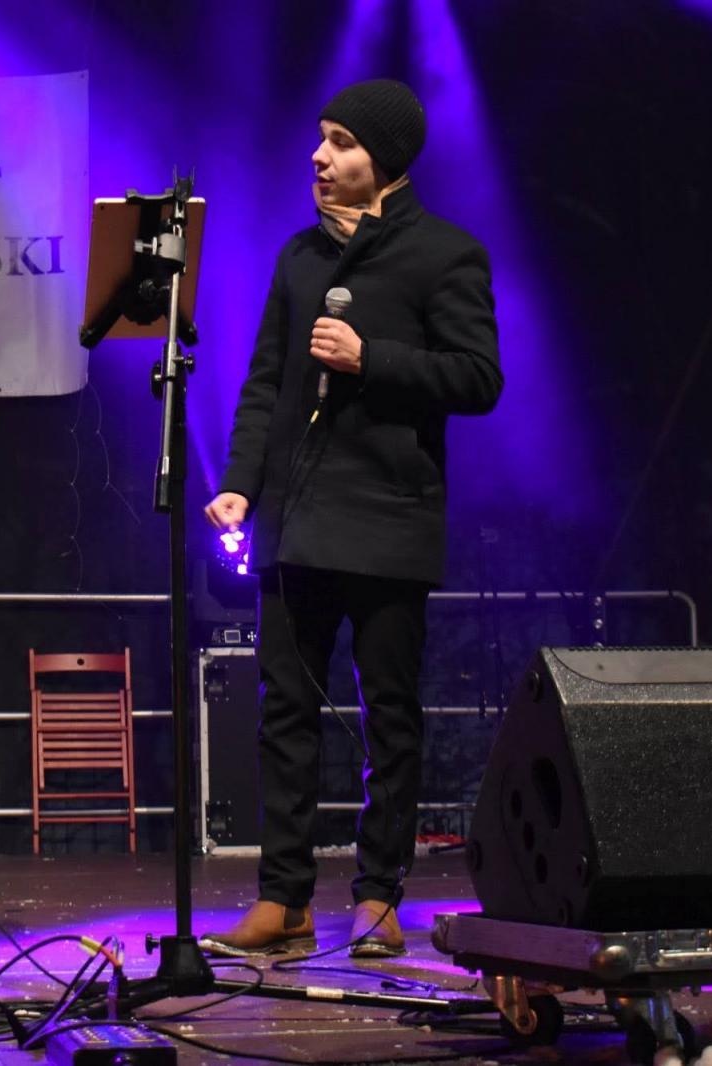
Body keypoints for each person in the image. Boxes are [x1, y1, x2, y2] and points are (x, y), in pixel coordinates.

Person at [201, 79, 502, 958]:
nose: (319, 156)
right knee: (284, 711)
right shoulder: (299, 259)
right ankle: (283, 899)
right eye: (320, 139)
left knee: (389, 717)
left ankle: (378, 896)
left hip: (389, 520)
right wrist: (241, 485)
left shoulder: (445, 255)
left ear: (387, 161)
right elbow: (266, 384)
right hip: (298, 522)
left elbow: (479, 379)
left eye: (339, 142)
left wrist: (375, 359)